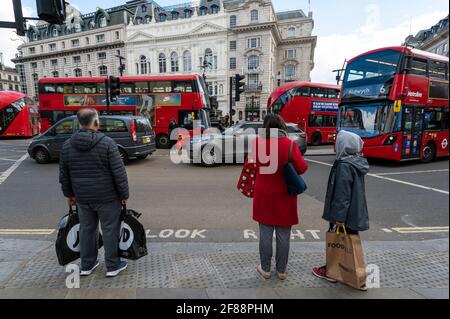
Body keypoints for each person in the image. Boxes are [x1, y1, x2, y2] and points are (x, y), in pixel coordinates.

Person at [59, 108, 129, 278]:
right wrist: (124, 194)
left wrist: (69, 195)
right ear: (96, 122)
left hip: (82, 198)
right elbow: (119, 173)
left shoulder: (67, 145)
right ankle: (112, 265)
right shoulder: (107, 143)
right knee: (110, 229)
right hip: (107, 197)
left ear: (79, 123)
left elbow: (64, 175)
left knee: (86, 229)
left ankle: (87, 265)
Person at [251, 114, 308, 280]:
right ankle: (281, 270)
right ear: (282, 127)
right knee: (283, 235)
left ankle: (265, 269)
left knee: (265, 234)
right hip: (284, 195)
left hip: (263, 194)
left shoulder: (257, 143)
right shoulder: (289, 145)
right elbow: (302, 168)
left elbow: (254, 164)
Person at [312, 130, 369, 290]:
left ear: (343, 145)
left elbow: (342, 195)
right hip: (354, 212)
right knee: (349, 242)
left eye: (338, 143)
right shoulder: (356, 161)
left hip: (344, 214)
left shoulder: (344, 165)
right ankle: (354, 274)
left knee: (338, 242)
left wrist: (339, 217)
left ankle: (332, 272)